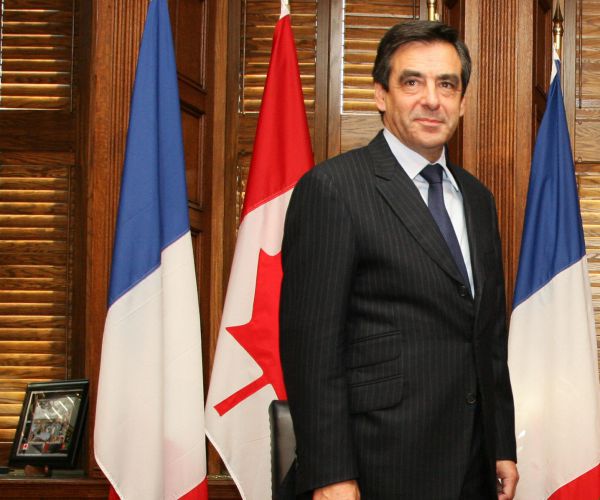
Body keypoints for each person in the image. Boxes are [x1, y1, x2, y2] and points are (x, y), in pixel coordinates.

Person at [279, 20, 519, 500]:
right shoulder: (333, 189)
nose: (432, 99)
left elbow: (487, 337)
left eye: (446, 84)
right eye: (412, 82)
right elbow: (312, 350)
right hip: (376, 467)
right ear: (380, 95)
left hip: (472, 467)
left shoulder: (478, 199)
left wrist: (501, 445)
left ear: (462, 101)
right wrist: (330, 474)